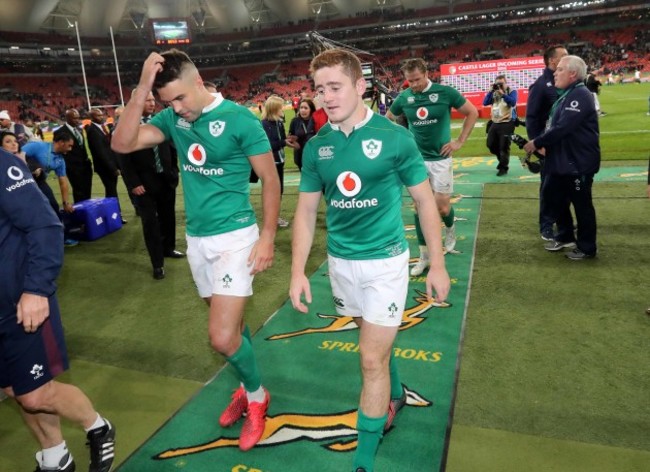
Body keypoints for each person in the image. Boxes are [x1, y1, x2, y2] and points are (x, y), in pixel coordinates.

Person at [111, 49, 281, 451]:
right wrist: (140, 91)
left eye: (181, 99)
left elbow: (270, 180)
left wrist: (268, 236)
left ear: (199, 80)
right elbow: (122, 142)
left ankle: (257, 397)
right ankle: (245, 386)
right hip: (198, 240)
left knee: (222, 338)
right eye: (168, 102)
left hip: (236, 238)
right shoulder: (172, 118)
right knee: (234, 328)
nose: (177, 109)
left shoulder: (241, 120)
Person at [289, 48, 450, 472]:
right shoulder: (316, 148)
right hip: (341, 266)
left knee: (368, 359)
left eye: (335, 87)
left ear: (361, 86)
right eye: (320, 89)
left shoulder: (396, 138)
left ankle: (363, 459)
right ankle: (396, 392)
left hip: (385, 264)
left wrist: (437, 263)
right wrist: (298, 273)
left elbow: (425, 202)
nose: (326, 97)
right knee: (373, 344)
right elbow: (306, 213)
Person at [0, 147, 115, 472]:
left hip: (21, 302)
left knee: (36, 394)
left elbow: (45, 226)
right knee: (15, 388)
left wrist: (36, 289)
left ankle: (98, 427)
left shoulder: (1, 164)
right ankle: (56, 456)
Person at [387, 58, 478, 275]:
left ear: (427, 74)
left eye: (417, 80)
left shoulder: (445, 93)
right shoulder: (405, 97)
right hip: (416, 160)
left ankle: (450, 226)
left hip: (440, 160)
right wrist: (401, 139)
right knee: (419, 208)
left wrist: (459, 141)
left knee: (441, 207)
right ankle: (424, 256)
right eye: (410, 81)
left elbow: (472, 112)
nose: (414, 85)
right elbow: (389, 117)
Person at [524, 55, 600, 260]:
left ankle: (587, 247)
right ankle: (566, 235)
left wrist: (537, 142)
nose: (555, 73)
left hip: (578, 163)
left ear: (572, 73)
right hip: (564, 160)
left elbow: (562, 128)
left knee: (582, 205)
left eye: (559, 70)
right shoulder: (567, 94)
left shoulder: (580, 95)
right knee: (554, 198)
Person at [117, 90, 182, 280]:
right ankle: (157, 263)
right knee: (151, 223)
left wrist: (173, 170)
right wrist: (133, 182)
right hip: (143, 184)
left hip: (165, 179)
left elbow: (171, 145)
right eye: (147, 100)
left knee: (168, 217)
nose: (152, 103)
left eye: (153, 99)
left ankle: (168, 248)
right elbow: (123, 157)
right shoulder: (127, 123)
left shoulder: (160, 120)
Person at [526, 44, 568, 242]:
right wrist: (537, 145)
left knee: (565, 185)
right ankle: (546, 225)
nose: (568, 58)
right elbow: (532, 117)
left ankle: (563, 223)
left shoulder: (567, 81)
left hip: (566, 145)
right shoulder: (541, 84)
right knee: (549, 187)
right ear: (553, 60)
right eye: (564, 55)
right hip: (548, 146)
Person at [21, 129, 76, 221]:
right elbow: (15, 155)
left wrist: (66, 203)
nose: (70, 149)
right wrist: (31, 168)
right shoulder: (38, 146)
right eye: (69, 146)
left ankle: (58, 230)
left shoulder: (60, 159)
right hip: (23, 182)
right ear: (61, 142)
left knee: (53, 205)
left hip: (39, 182)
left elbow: (63, 182)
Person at [86, 108, 127, 224]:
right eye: (98, 115)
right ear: (92, 118)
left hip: (109, 165)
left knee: (111, 191)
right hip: (105, 168)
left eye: (101, 114)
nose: (102, 116)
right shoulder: (92, 131)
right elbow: (101, 153)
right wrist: (113, 168)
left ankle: (113, 215)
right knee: (111, 192)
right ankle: (115, 216)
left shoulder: (100, 128)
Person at [261, 95, 290, 228]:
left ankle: (275, 217)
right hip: (271, 162)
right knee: (273, 191)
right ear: (274, 108)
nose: (282, 109)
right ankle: (272, 219)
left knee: (280, 190)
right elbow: (268, 146)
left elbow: (282, 139)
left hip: (280, 159)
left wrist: (289, 140)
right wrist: (284, 142)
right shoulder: (265, 124)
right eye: (280, 107)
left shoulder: (278, 122)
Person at [482, 74, 518, 176]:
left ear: (506, 83)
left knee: (504, 146)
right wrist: (490, 91)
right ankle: (501, 160)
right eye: (497, 84)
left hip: (507, 122)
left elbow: (513, 102)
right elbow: (485, 103)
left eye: (501, 84)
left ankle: (503, 168)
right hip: (495, 122)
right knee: (490, 144)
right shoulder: (493, 93)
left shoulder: (511, 91)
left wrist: (503, 94)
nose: (499, 86)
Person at [62, 109, 94, 203]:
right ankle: (80, 213)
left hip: (86, 166)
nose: (77, 120)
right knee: (79, 192)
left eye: (78, 118)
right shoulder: (61, 131)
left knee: (87, 191)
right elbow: (61, 151)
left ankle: (88, 212)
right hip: (73, 168)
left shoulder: (79, 129)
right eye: (74, 118)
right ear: (67, 118)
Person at [286, 97, 316, 171]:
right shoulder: (295, 121)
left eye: (306, 108)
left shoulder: (316, 121)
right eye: (301, 108)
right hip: (300, 156)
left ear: (311, 110)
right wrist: (292, 141)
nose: (303, 110)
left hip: (314, 156)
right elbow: (290, 137)